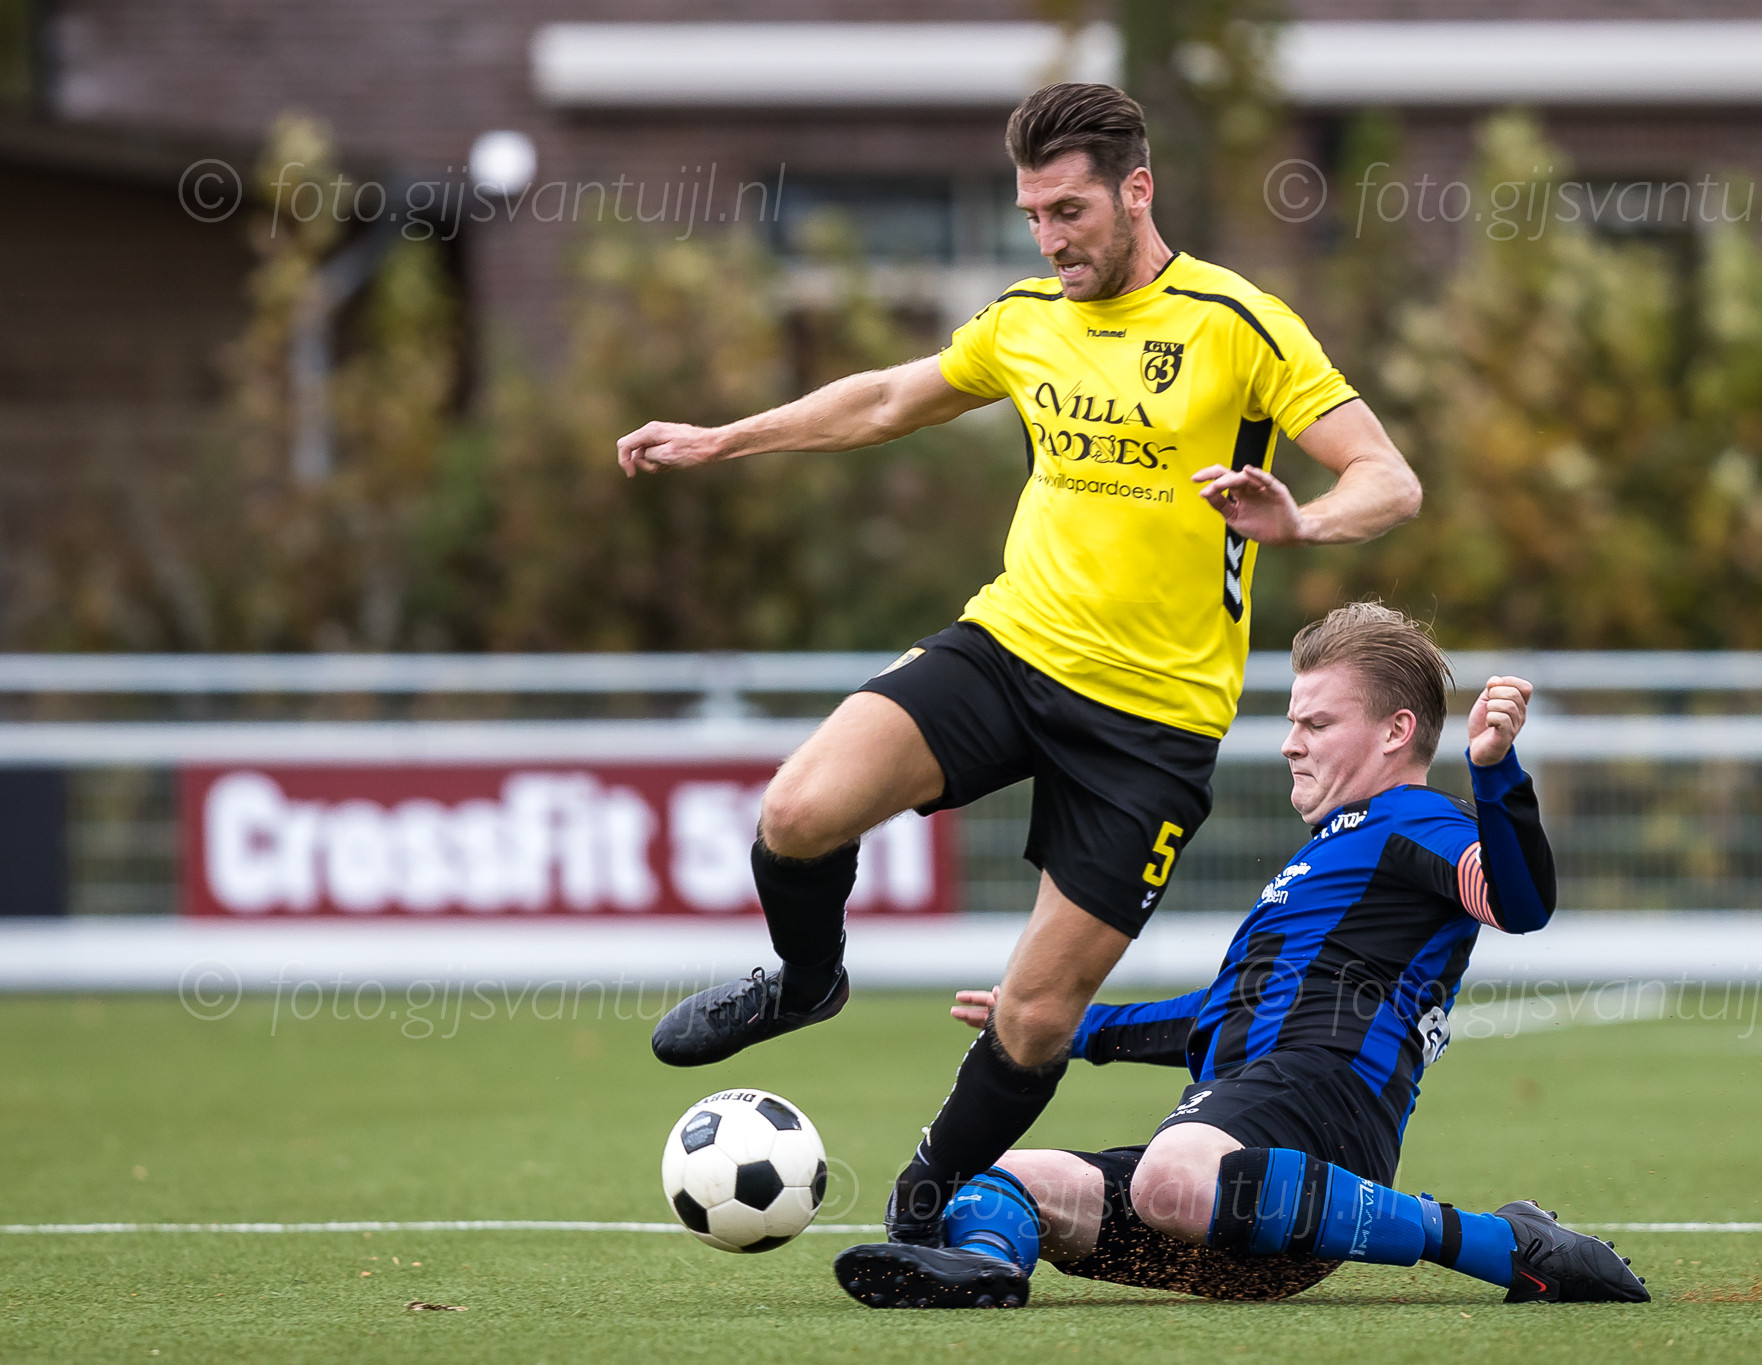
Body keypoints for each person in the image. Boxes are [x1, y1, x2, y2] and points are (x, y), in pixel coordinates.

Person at [616, 82, 1422, 1242]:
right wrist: (720, 438)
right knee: (795, 813)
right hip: (1008, 650)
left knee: (1036, 1017)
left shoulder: (1235, 323)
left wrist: (1300, 523)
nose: (1048, 239)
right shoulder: (1024, 318)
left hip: (1151, 722)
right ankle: (804, 980)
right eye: (1031, 215)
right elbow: (886, 399)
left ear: (1135, 191)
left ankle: (921, 1210)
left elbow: (1387, 480)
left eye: (1067, 212)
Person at [832, 602, 1651, 1310]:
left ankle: (1507, 1245)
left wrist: (1496, 772)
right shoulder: (1327, 851)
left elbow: (1517, 903)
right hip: (1235, 1175)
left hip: (1322, 1118)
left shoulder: (1414, 819)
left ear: (1396, 731)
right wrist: (1080, 1027)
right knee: (994, 1180)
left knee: (1171, 1177)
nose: (1291, 744)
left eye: (1316, 724)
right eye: (1293, 722)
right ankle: (982, 1270)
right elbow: (1236, 1013)